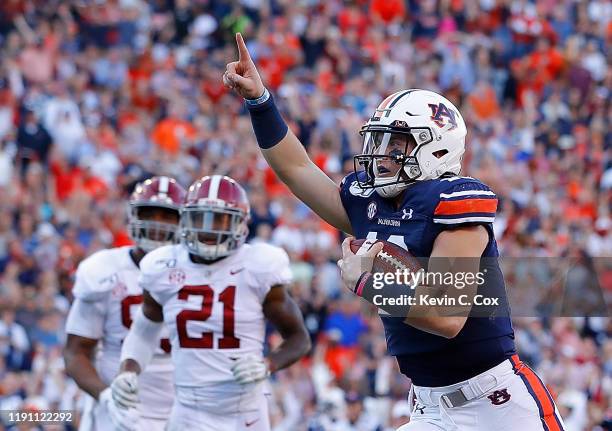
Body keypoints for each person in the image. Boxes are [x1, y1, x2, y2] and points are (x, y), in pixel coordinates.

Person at [222, 33, 566, 431]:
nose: (382, 154)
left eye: (396, 144)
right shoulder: (373, 204)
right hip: (428, 408)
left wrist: (370, 283)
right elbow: (296, 169)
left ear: (436, 149)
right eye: (380, 141)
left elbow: (447, 315)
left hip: (496, 406)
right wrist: (260, 101)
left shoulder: (453, 202)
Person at [110, 175, 311, 431]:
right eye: (200, 217)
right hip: (187, 408)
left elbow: (299, 339)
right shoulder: (162, 265)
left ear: (241, 223)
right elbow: (143, 331)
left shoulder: (259, 266)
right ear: (186, 219)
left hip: (245, 410)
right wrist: (128, 370)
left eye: (220, 218)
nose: (209, 228)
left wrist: (267, 364)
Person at [64, 176, 186, 431]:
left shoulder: (197, 271)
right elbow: (76, 351)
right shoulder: (104, 269)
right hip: (118, 408)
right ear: (133, 216)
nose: (157, 224)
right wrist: (104, 395)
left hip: (184, 409)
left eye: (167, 216)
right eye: (149, 214)